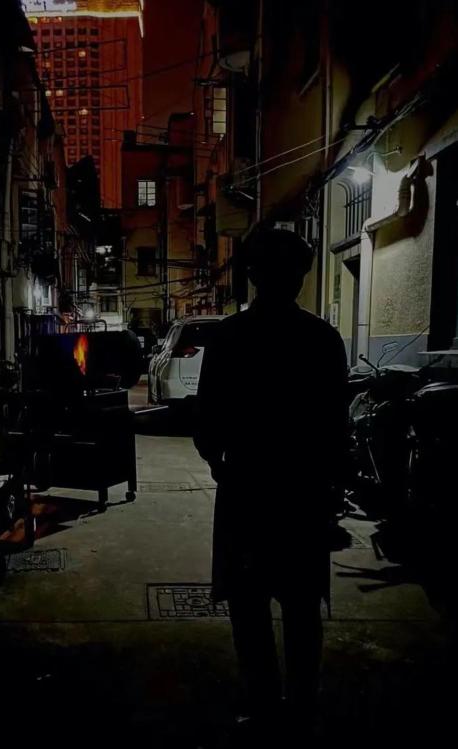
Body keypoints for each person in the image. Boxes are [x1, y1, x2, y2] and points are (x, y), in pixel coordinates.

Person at [194, 227, 348, 737]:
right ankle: (301, 706)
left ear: (253, 275)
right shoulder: (322, 339)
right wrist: (330, 488)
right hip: (303, 492)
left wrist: (221, 465)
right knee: (302, 606)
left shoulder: (230, 337)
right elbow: (336, 426)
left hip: (248, 488)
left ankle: (263, 705)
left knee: (249, 605)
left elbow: (207, 421)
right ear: (301, 277)